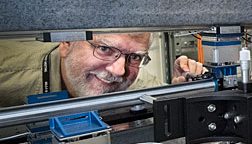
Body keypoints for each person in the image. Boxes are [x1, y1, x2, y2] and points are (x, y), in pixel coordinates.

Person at [0, 32, 206, 107]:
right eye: (105, 49)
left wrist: (179, 92)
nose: (118, 71)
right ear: (67, 43)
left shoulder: (139, 85)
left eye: (134, 57)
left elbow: (164, 103)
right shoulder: (8, 72)